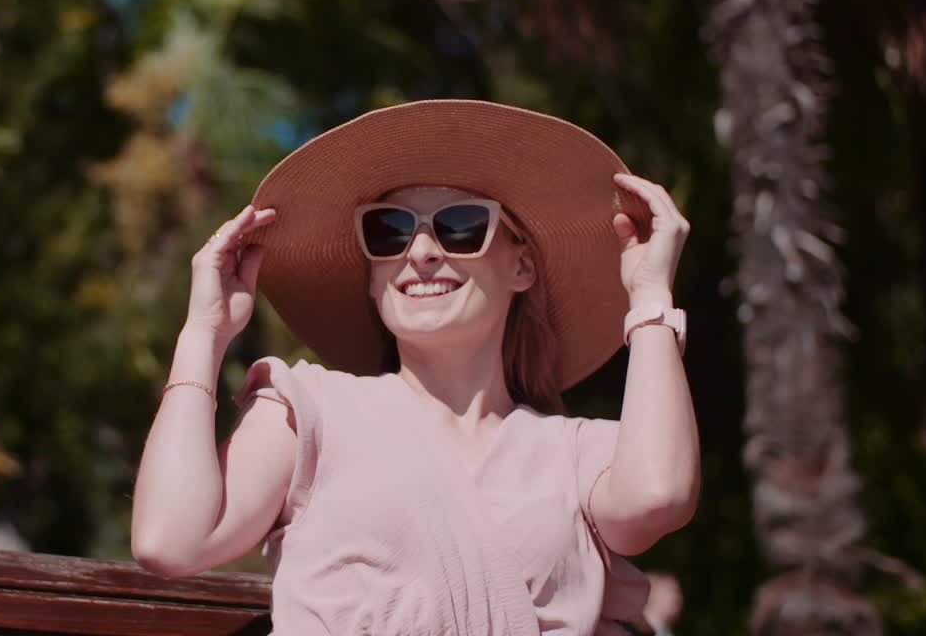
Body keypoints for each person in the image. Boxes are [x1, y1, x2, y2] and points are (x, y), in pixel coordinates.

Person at [131, 100, 700, 635]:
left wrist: (650, 298)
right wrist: (203, 332)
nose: (422, 251)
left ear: (521, 264)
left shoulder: (577, 454)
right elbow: (171, 541)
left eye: (460, 226)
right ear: (375, 276)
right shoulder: (308, 411)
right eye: (390, 231)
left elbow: (658, 497)